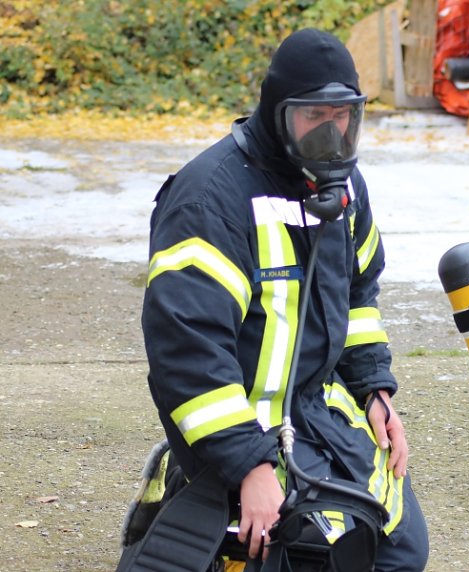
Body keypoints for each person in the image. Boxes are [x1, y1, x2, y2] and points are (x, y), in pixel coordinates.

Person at [124, 28, 429, 570]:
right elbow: (186, 353)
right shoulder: (208, 200)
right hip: (237, 426)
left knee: (400, 552)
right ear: (276, 111)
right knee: (307, 553)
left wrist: (375, 389)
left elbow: (359, 293)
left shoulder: (343, 186)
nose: (330, 134)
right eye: (313, 116)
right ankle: (182, 485)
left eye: (343, 117)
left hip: (315, 410)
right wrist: (249, 467)